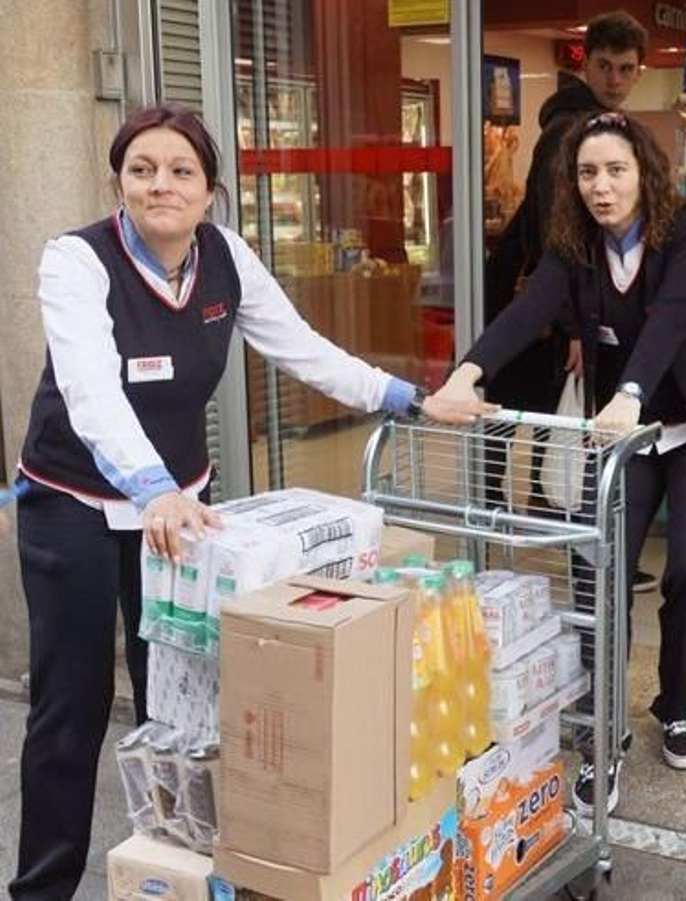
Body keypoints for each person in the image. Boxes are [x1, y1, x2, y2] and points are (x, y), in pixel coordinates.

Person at [6, 104, 489, 900]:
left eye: (181, 171)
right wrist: (148, 484)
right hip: (77, 502)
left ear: (210, 191)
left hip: (182, 508)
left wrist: (409, 397)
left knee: (183, 698)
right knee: (72, 704)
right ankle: (43, 888)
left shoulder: (226, 258)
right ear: (118, 181)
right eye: (142, 169)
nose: (161, 185)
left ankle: (172, 870)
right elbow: (90, 389)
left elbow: (301, 348)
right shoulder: (77, 261)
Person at [431, 112, 686, 815]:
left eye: (615, 170)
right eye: (587, 174)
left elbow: (669, 318)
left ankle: (679, 702)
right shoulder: (573, 245)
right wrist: (468, 374)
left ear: (645, 172)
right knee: (594, 570)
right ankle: (601, 736)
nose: (602, 187)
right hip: (624, 431)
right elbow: (529, 311)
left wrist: (631, 391)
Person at [479, 10, 659, 592]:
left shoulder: (593, 122)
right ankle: (519, 531)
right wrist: (578, 322)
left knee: (531, 411)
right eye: (604, 65)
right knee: (520, 412)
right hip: (542, 296)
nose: (614, 77)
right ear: (588, 62)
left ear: (638, 72)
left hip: (546, 296)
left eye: (625, 69)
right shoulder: (572, 129)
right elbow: (555, 228)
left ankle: (525, 526)